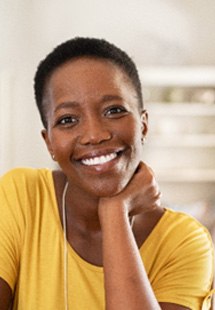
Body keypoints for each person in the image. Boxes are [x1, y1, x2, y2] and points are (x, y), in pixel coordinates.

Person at [0, 37, 214, 310]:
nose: (94, 135)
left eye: (114, 110)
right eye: (67, 119)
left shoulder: (184, 242)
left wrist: (114, 213)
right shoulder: (20, 196)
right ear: (49, 143)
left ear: (144, 126)